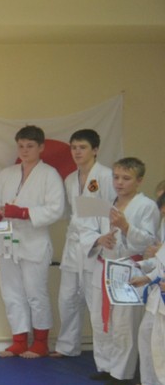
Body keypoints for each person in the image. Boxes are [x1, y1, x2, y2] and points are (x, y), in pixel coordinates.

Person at [0, 125, 66, 358]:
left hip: (34, 242)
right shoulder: (6, 174)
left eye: (30, 146)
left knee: (36, 293)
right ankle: (19, 340)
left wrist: (23, 213)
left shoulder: (49, 174)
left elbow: (56, 209)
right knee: (11, 293)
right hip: (7, 242)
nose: (25, 150)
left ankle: (40, 342)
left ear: (41, 147)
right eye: (21, 146)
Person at [87, 157, 161, 385]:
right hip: (103, 266)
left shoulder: (147, 206)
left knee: (124, 324)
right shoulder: (106, 203)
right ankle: (106, 365)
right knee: (100, 320)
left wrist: (126, 227)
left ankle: (122, 373)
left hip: (128, 269)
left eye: (126, 178)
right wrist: (100, 239)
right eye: (116, 177)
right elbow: (87, 229)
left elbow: (150, 241)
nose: (119, 182)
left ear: (139, 181)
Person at [51, 129, 116, 358]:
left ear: (95, 150)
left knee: (95, 302)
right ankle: (67, 346)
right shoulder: (70, 179)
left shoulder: (106, 176)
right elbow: (74, 215)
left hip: (98, 245)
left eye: (83, 147)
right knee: (67, 299)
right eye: (74, 147)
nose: (77, 152)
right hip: (74, 245)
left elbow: (112, 212)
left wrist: (104, 240)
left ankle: (105, 357)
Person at [131, 190, 165, 385]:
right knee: (149, 336)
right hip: (158, 296)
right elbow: (161, 265)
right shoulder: (163, 226)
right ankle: (153, 382)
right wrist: (144, 275)